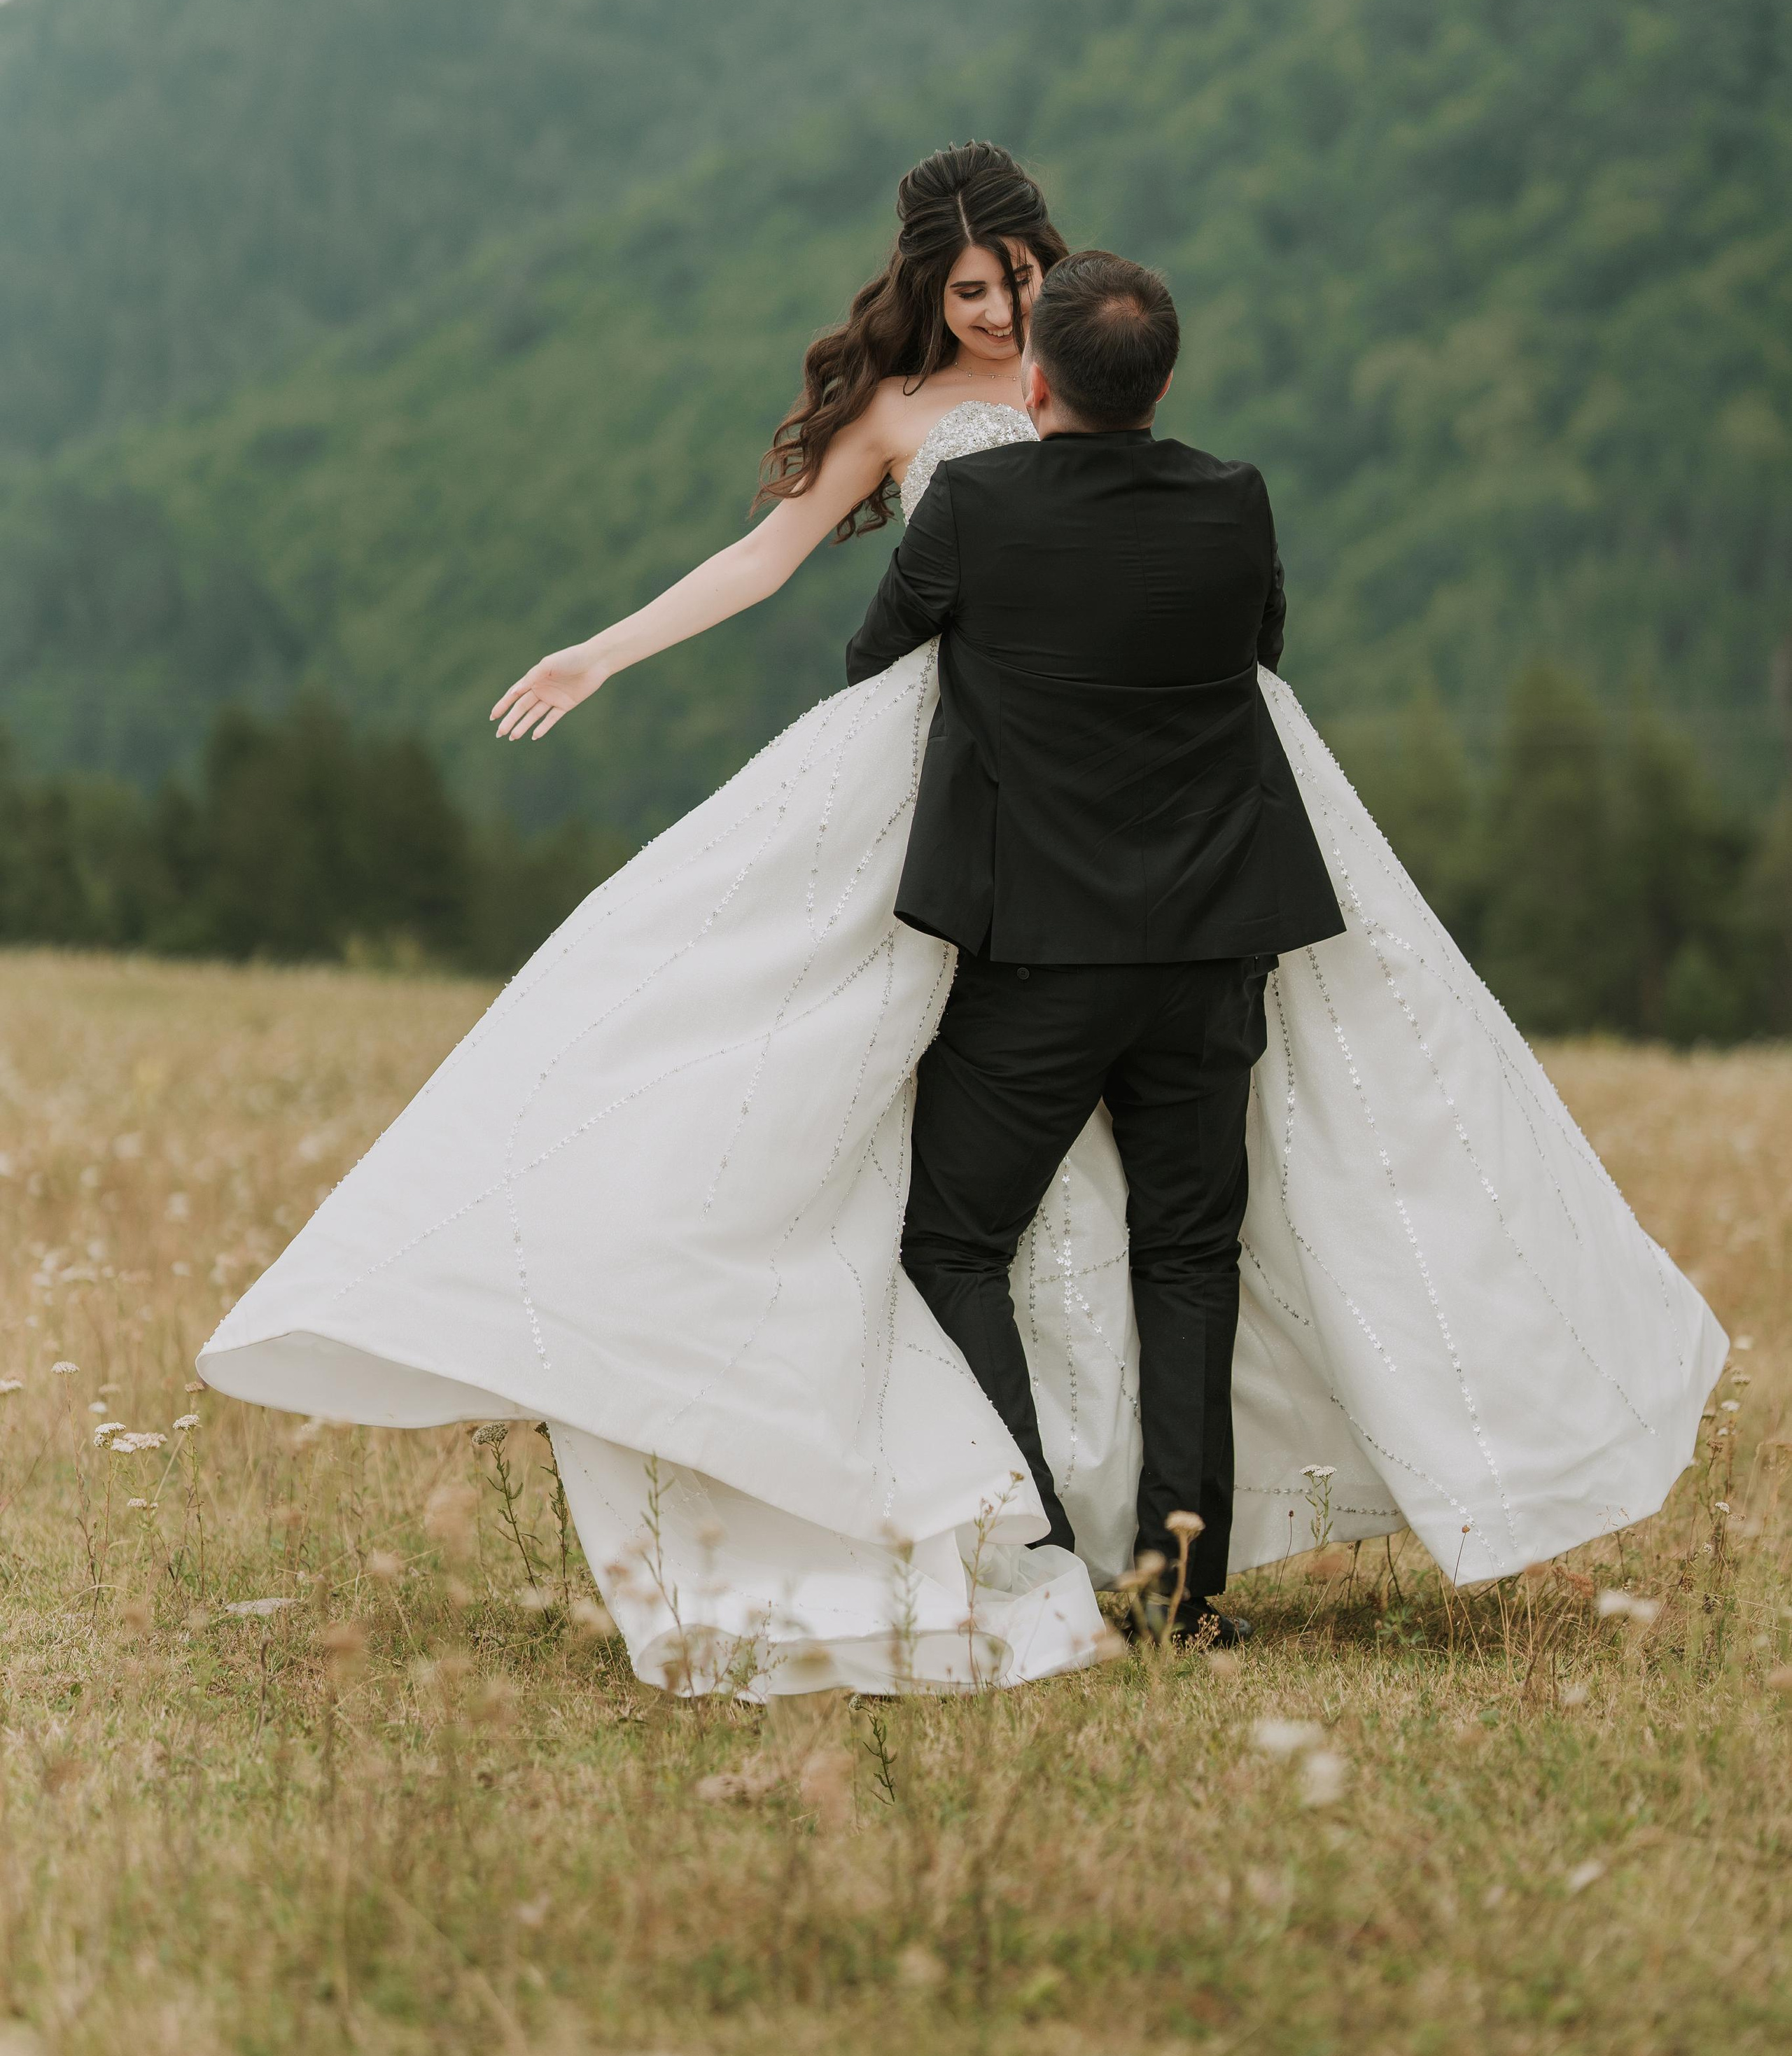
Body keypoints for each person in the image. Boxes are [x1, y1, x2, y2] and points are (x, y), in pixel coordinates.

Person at [200, 141, 1727, 1698]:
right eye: (971, 292)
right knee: (1059, 1199)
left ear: (1055, 308)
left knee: (1096, 1224)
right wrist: (607, 649)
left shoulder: (1104, 454)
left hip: (1073, 851)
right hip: (1061, 835)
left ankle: (1100, 1551)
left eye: (1019, 288)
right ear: (929, 292)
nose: (998, 317)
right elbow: (778, 559)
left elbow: (975, 635)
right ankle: (1098, 1550)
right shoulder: (995, 439)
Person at [845, 250, 1344, 1644]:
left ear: (1033, 379)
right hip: (1208, 948)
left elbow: (874, 657)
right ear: (1164, 385)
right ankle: (1181, 1596)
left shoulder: (979, 505)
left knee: (951, 1237)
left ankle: (1036, 1556)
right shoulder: (1232, 501)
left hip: (1037, 957)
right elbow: (1261, 648)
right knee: (1187, 1257)